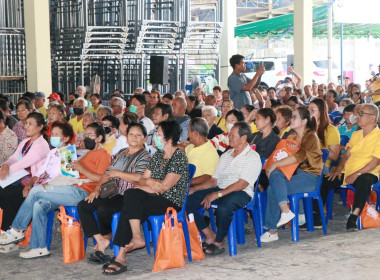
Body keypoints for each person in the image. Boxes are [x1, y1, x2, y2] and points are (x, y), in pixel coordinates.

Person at [0, 123, 111, 257]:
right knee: (38, 205)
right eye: (85, 135)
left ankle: (17, 229)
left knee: (36, 191)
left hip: (82, 192)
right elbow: (69, 173)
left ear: (99, 138)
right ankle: (39, 247)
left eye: (91, 135)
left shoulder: (103, 154)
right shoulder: (87, 153)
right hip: (69, 188)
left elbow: (101, 178)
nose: (87, 138)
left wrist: (81, 169)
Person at [102, 120, 189, 275]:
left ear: (168, 138)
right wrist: (148, 182)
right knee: (130, 201)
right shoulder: (157, 156)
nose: (155, 137)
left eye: (159, 134)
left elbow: (164, 188)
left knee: (130, 200)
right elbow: (143, 179)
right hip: (152, 196)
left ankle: (122, 255)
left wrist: (144, 186)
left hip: (170, 201)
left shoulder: (179, 157)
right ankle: (132, 243)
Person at [77, 122, 152, 262]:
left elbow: (139, 179)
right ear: (126, 136)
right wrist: (96, 190)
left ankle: (106, 235)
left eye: (138, 135)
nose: (134, 138)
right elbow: (106, 174)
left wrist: (118, 173)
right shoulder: (121, 153)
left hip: (129, 195)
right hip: (111, 192)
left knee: (103, 209)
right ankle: (101, 240)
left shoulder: (145, 157)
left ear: (144, 139)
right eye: (131, 134)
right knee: (83, 205)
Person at [186, 122, 261, 254]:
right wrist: (196, 189)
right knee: (187, 202)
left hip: (241, 192)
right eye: (229, 135)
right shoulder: (226, 155)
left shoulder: (252, 157)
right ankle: (209, 234)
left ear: (243, 138)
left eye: (232, 135)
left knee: (224, 207)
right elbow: (213, 181)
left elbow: (241, 184)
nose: (229, 138)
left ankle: (219, 241)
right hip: (221, 188)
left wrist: (218, 194)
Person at [260, 107, 323, 242]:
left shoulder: (311, 136)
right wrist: (289, 146)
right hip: (293, 174)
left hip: (310, 177)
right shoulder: (291, 136)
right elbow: (282, 151)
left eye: (295, 117)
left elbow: (299, 157)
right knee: (275, 179)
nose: (291, 119)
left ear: (304, 120)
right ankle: (285, 211)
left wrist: (275, 164)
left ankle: (272, 230)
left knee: (273, 187)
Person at [319, 104, 380, 230]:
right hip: (348, 171)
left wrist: (356, 174)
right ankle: (319, 214)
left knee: (363, 182)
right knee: (325, 180)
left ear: (372, 118)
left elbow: (375, 162)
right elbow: (346, 154)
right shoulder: (356, 134)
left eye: (361, 113)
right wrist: (339, 169)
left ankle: (353, 217)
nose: (357, 116)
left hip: (367, 173)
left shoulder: (378, 136)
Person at [0, 112, 50, 233]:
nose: (26, 126)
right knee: (5, 193)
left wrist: (4, 170)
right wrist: (5, 165)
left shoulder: (41, 145)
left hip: (34, 181)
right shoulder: (26, 141)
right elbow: (13, 158)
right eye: (26, 123)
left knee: (8, 194)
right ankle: (6, 231)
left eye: (30, 124)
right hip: (18, 177)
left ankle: (7, 231)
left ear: (40, 127)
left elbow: (22, 164)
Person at [185, 118, 219, 187]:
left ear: (195, 133)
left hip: (195, 189)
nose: (187, 135)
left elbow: (208, 177)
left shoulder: (210, 153)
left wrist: (186, 182)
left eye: (188, 131)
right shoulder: (190, 147)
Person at [309, 98, 340, 169]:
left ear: (321, 112)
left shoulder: (331, 130)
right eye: (308, 110)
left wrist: (315, 149)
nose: (309, 113)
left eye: (312, 110)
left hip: (321, 165)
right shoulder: (306, 127)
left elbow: (334, 156)